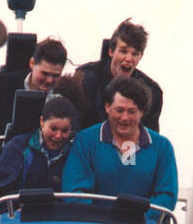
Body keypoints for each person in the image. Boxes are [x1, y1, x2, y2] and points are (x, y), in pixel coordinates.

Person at [61, 76, 177, 209]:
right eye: (119, 110)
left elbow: (167, 197)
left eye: (132, 112)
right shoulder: (85, 140)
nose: (125, 118)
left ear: (142, 112)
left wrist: (136, 219)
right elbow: (74, 192)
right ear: (107, 107)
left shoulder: (162, 147)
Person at [0, 37, 67, 146]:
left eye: (56, 76)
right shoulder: (1, 85)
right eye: (45, 74)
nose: (49, 80)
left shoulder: (65, 95)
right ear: (32, 63)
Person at [77, 20, 163, 131]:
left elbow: (151, 138)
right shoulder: (86, 77)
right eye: (123, 51)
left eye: (135, 54)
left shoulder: (152, 92)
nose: (128, 59)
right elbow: (74, 125)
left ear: (141, 56)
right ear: (111, 51)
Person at [0, 94, 77, 196]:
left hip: (61, 209)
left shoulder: (76, 152)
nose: (58, 136)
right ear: (42, 122)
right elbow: (3, 190)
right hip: (20, 209)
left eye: (64, 131)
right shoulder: (17, 147)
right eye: (53, 129)